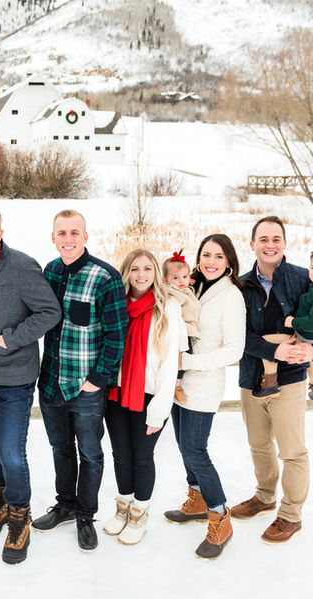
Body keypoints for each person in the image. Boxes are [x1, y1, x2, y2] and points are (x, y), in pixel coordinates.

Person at [233, 216, 313, 544]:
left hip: (291, 378)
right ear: (252, 244)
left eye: (276, 239)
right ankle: (264, 497)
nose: (270, 245)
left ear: (284, 243)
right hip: (251, 375)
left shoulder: (304, 278)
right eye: (263, 239)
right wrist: (272, 350)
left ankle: (291, 514)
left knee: (292, 451)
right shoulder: (240, 285)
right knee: (259, 444)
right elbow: (236, 334)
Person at [0, 205, 61, 564]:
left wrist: (11, 338)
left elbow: (50, 312)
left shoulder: (21, 265)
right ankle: (0, 504)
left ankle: (20, 518)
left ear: (0, 233)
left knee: (10, 451)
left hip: (14, 377)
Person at [32, 210, 127, 553]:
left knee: (90, 454)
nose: (68, 239)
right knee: (60, 449)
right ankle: (65, 505)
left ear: (85, 237)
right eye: (62, 233)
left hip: (86, 387)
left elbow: (117, 335)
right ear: (53, 237)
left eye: (75, 232)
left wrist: (98, 379)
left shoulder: (105, 277)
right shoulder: (50, 272)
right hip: (51, 383)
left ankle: (86, 515)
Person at [162, 235, 245, 559]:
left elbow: (234, 350)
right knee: (183, 445)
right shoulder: (191, 286)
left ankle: (220, 516)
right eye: (206, 255)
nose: (211, 261)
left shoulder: (231, 296)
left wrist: (188, 362)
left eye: (219, 256)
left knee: (195, 451)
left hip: (204, 382)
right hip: (179, 381)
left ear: (229, 262)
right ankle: (196, 500)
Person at [101, 249, 181, 546]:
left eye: (148, 268)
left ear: (156, 273)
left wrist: (160, 407)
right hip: (116, 392)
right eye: (135, 269)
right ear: (126, 273)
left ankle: (139, 514)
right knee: (121, 455)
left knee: (142, 457)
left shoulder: (167, 306)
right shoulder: (116, 304)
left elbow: (171, 361)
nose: (141, 274)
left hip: (149, 396)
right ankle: (123, 507)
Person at [255, 244, 313, 402]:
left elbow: (312, 324)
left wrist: (293, 322)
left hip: (308, 334)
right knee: (309, 359)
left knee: (267, 343)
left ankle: (270, 383)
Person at [162, 251, 201, 403]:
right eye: (175, 278)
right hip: (180, 332)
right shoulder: (171, 293)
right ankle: (176, 385)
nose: (181, 281)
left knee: (185, 357)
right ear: (165, 280)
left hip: (187, 329)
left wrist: (189, 282)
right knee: (182, 358)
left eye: (185, 276)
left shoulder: (182, 288)